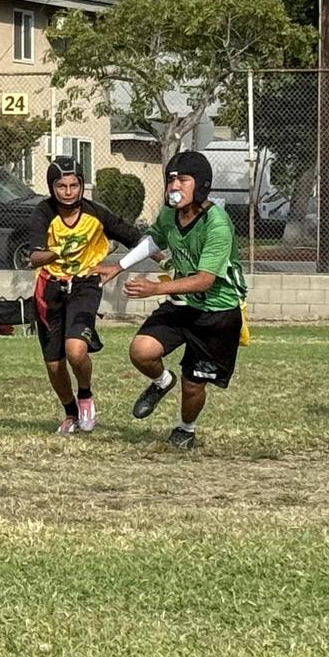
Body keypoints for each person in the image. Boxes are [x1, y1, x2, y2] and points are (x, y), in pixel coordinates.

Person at [100, 151, 246, 451]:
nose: (174, 186)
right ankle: (162, 381)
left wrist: (155, 289)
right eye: (170, 179)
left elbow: (205, 279)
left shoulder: (217, 223)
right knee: (141, 351)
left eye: (182, 179)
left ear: (201, 186)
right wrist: (118, 266)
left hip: (217, 312)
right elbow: (155, 240)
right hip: (183, 305)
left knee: (194, 384)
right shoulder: (170, 213)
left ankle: (185, 429)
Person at [27, 157, 143, 434]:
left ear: (81, 185)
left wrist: (165, 261)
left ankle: (86, 396)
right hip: (50, 289)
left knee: (76, 351)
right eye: (61, 186)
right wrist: (57, 252)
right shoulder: (43, 213)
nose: (68, 191)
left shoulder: (95, 213)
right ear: (51, 187)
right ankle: (70, 413)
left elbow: (136, 239)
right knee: (55, 365)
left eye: (74, 185)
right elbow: (33, 258)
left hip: (85, 285)